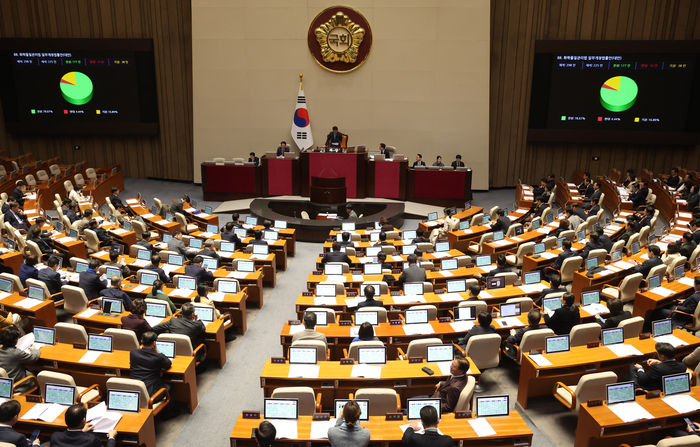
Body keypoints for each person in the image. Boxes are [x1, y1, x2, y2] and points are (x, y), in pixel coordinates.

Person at [129, 331, 180, 421]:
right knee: (170, 386)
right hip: (150, 395)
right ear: (154, 343)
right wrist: (157, 351)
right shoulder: (158, 357)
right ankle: (168, 413)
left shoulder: (133, 353)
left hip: (135, 392)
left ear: (141, 342)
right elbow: (168, 363)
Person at [49, 404, 117, 447]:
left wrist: (82, 431)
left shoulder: (55, 436)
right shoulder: (91, 440)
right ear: (84, 421)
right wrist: (111, 438)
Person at [0, 327, 39, 394]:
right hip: (17, 385)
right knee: (36, 375)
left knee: (29, 371)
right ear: (15, 340)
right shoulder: (16, 353)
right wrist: (34, 350)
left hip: (3, 384)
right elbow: (33, 358)